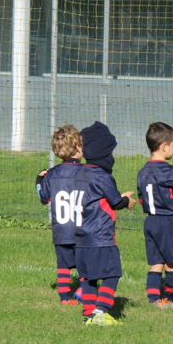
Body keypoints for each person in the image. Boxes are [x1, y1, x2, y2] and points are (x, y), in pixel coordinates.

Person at [74, 121, 136, 326]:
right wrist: (126, 201)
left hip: (81, 237)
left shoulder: (79, 173)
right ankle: (101, 311)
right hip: (101, 236)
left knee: (89, 277)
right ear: (103, 153)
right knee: (112, 273)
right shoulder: (103, 176)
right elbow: (116, 201)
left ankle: (89, 314)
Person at [137, 122, 173, 309]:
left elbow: (142, 199)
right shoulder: (172, 172)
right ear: (164, 146)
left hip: (151, 220)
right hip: (169, 220)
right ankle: (170, 297)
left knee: (156, 261)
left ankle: (153, 299)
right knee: (172, 261)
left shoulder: (142, 171)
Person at [36, 123, 85, 305]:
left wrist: (39, 179)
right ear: (78, 147)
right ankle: (82, 291)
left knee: (63, 265)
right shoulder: (87, 172)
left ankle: (64, 297)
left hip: (61, 230)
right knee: (84, 264)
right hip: (82, 229)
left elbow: (43, 198)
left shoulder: (52, 174)